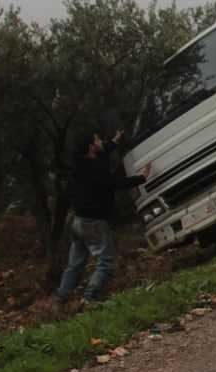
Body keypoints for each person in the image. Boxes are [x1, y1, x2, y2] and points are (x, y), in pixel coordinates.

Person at [55, 128, 151, 306]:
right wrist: (141, 178)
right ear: (91, 147)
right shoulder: (95, 169)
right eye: (98, 140)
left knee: (75, 265)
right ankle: (90, 298)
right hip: (94, 223)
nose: (101, 142)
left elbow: (103, 152)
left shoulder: (80, 163)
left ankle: (61, 300)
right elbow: (113, 183)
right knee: (105, 262)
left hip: (77, 222)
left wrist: (114, 141)